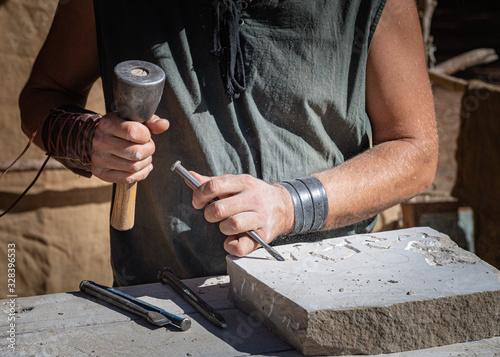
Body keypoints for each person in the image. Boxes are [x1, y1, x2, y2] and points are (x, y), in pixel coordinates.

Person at [19, 0, 438, 285]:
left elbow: (416, 151)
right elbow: (43, 96)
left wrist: (288, 205)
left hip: (336, 288)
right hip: (166, 298)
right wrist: (85, 137)